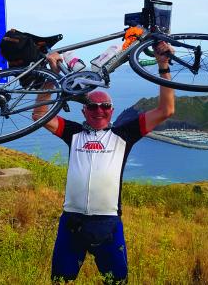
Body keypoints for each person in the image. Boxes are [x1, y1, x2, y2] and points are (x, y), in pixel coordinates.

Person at [32, 41, 175, 283]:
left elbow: (166, 110)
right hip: (72, 222)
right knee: (60, 281)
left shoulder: (123, 135)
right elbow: (39, 114)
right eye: (93, 106)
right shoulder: (73, 132)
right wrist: (52, 74)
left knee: (116, 281)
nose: (99, 110)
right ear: (84, 111)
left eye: (105, 106)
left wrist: (163, 65)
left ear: (112, 110)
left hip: (108, 223)